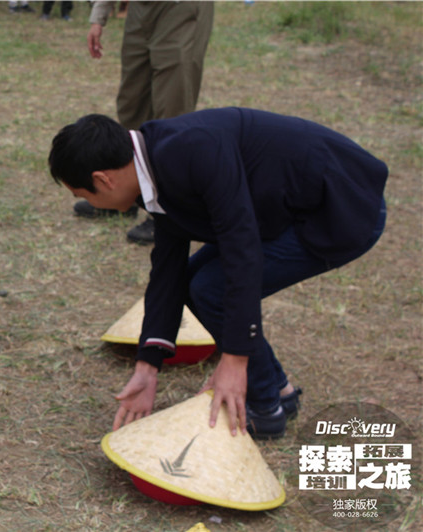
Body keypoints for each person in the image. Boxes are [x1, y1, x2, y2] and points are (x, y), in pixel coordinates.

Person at [48, 109, 388, 439]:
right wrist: (147, 366)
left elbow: (242, 250)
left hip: (339, 207)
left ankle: (266, 409)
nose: (90, 204)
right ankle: (278, 391)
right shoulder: (152, 162)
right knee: (195, 283)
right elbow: (168, 272)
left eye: (83, 195)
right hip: (284, 207)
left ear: (102, 180)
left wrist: (235, 359)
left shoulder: (193, 150)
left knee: (211, 289)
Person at [74, 1, 214, 245]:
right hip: (141, 9)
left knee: (172, 109)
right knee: (132, 104)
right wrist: (98, 17)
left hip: (180, 9)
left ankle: (168, 211)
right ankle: (125, 195)